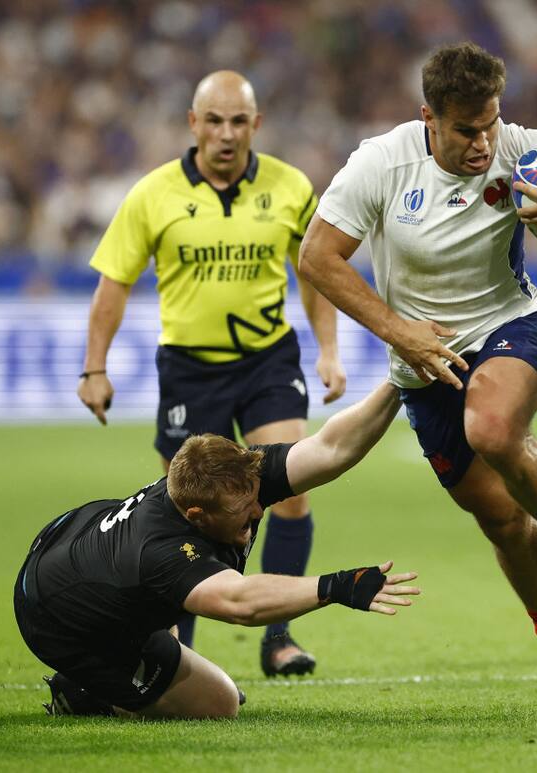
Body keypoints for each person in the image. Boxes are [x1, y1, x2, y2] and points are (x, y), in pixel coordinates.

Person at [297, 42, 537, 715]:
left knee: (493, 428)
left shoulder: (521, 147)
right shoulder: (382, 162)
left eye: (490, 122)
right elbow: (317, 257)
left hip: (509, 324)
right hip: (422, 360)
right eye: (467, 129)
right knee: (501, 522)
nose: (482, 141)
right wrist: (395, 329)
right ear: (429, 118)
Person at [76, 71, 347, 678]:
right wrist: (95, 366)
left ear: (257, 124)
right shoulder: (153, 194)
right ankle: (181, 652)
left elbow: (316, 272)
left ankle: (278, 636)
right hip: (190, 369)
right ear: (194, 123)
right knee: (182, 508)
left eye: (239, 121)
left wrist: (328, 350)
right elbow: (113, 284)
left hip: (267, 360)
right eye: (215, 121)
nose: (227, 134)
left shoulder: (290, 187)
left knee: (292, 488)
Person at [17, 382, 417, 719]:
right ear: (197, 516)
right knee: (219, 702)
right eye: (245, 512)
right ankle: (79, 690)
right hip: (57, 615)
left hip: (79, 544)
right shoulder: (163, 551)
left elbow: (333, 448)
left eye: (258, 498)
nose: (260, 511)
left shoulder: (240, 479)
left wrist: (399, 380)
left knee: (161, 614)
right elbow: (240, 603)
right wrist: (338, 586)